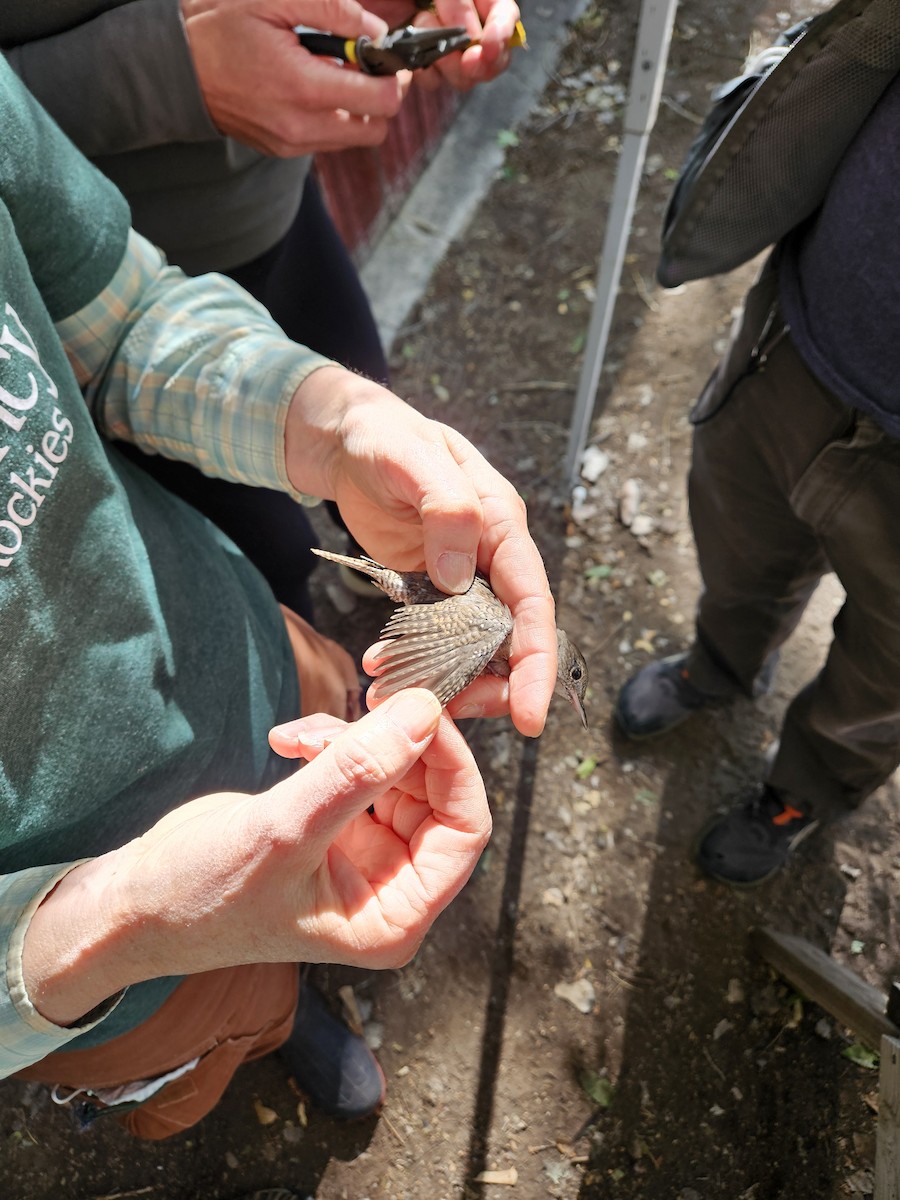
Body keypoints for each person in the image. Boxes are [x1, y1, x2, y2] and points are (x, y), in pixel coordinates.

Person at [0, 55, 558, 1139]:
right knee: (200, 1038)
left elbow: (114, 316)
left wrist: (328, 422)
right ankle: (242, 1028)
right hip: (100, 985)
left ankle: (291, 983)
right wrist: (106, 934)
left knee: (332, 816)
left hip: (251, 659)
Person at [0, 0, 522, 619]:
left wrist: (338, 425)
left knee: (372, 411)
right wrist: (167, 68)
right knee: (267, 552)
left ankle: (387, 581)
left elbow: (128, 328)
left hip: (260, 218)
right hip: (123, 251)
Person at [614, 69, 900, 887]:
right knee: (740, 542)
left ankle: (802, 789)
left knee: (886, 678)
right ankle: (724, 663)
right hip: (806, 336)